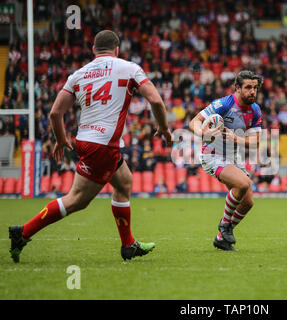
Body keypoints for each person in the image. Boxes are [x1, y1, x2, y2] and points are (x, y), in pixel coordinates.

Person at [8, 30, 172, 263]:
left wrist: (61, 139)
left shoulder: (78, 74)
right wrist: (164, 129)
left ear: (93, 50)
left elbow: (56, 112)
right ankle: (22, 233)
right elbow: (156, 100)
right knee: (77, 200)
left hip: (85, 141)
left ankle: (128, 245)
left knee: (124, 182)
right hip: (104, 145)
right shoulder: (129, 68)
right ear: (117, 49)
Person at [189, 70, 263, 251]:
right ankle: (224, 225)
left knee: (248, 203)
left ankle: (222, 238)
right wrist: (203, 133)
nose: (252, 91)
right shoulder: (223, 104)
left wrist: (236, 139)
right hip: (212, 155)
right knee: (243, 183)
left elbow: (256, 142)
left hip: (233, 157)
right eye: (248, 88)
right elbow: (194, 121)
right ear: (237, 88)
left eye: (255, 88)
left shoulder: (255, 110)